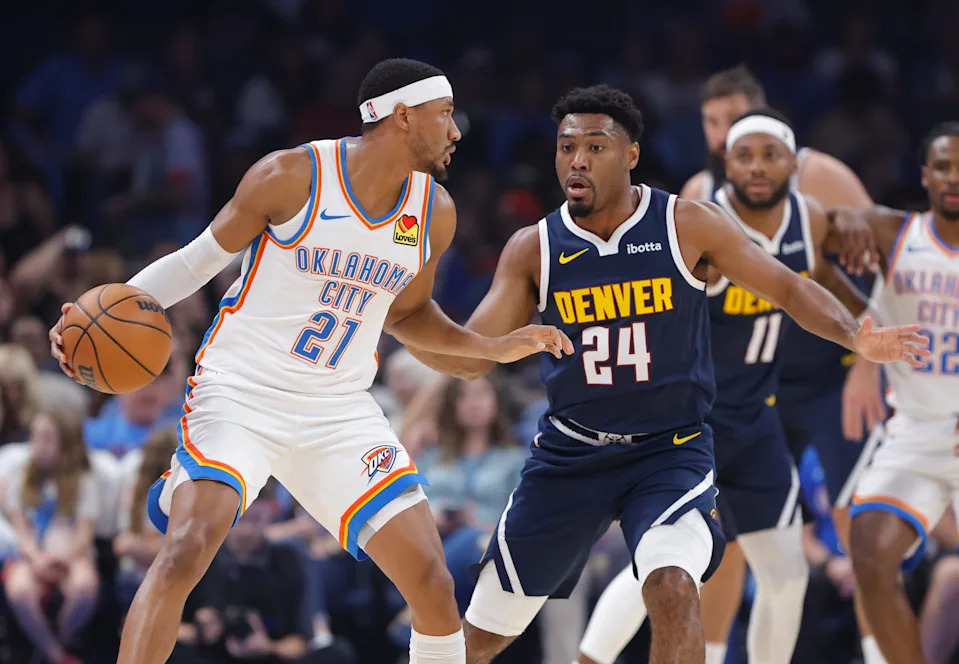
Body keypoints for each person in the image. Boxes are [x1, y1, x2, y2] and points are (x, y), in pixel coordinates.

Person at [47, 57, 569, 664]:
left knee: (431, 580)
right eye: (445, 114)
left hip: (337, 409)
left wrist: (490, 347)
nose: (456, 131)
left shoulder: (434, 211)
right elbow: (194, 263)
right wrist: (96, 317)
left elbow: (407, 314)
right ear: (403, 116)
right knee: (187, 547)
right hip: (242, 394)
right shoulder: (293, 175)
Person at [406, 84, 926, 664]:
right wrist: (410, 320)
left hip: (669, 450)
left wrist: (855, 335)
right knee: (480, 638)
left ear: (630, 154)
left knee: (674, 586)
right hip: (570, 456)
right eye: (567, 147)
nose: (577, 161)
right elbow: (470, 357)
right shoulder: (534, 248)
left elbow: (786, 287)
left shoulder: (686, 223)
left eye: (595, 147)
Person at [576, 108, 870, 664]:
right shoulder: (702, 225)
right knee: (664, 565)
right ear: (725, 164)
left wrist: (867, 323)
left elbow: (830, 277)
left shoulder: (809, 219)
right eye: (745, 156)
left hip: (758, 421)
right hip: (694, 423)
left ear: (794, 163)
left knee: (787, 573)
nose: (757, 168)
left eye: (770, 155)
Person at [679, 65, 888, 662]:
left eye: (733, 119)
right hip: (747, 391)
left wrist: (869, 365)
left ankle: (878, 653)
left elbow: (885, 259)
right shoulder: (700, 195)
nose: (723, 135)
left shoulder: (820, 179)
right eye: (712, 123)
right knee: (727, 540)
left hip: (830, 374)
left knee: (858, 522)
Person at [831, 122, 959, 664]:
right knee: (867, 550)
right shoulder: (895, 232)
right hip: (915, 433)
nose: (954, 178)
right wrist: (845, 218)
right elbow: (820, 229)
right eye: (943, 167)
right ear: (925, 175)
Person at [2, 410, 99, 664]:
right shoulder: (21, 475)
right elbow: (20, 529)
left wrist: (64, 560)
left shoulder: (83, 480)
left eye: (46, 439)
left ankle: (60, 637)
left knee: (84, 588)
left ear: (66, 443)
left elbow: (84, 533)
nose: (38, 445)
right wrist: (37, 558)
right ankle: (55, 655)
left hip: (71, 555)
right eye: (34, 437)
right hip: (31, 555)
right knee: (20, 590)